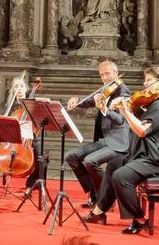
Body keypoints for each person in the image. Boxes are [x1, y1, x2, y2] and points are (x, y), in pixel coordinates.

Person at [83, 66, 159, 235]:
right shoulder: (154, 103)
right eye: (145, 80)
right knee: (115, 162)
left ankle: (139, 219)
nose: (144, 84)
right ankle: (100, 210)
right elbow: (134, 115)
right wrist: (118, 107)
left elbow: (142, 130)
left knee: (121, 176)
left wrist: (124, 110)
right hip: (149, 153)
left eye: (149, 80)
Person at [65, 60, 131, 208]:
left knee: (90, 161)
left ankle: (105, 198)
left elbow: (121, 119)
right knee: (71, 156)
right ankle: (97, 194)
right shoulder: (105, 90)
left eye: (107, 73)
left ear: (115, 73)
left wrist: (105, 109)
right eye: (101, 75)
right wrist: (76, 101)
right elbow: (89, 101)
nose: (104, 77)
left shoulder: (123, 91)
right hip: (103, 140)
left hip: (118, 142)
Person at [0, 74, 44, 196]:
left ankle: (31, 185)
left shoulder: (33, 103)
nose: (19, 89)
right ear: (13, 90)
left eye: (21, 86)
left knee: (41, 153)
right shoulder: (9, 106)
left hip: (28, 138)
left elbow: (39, 123)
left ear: (26, 88)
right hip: (11, 139)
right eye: (16, 87)